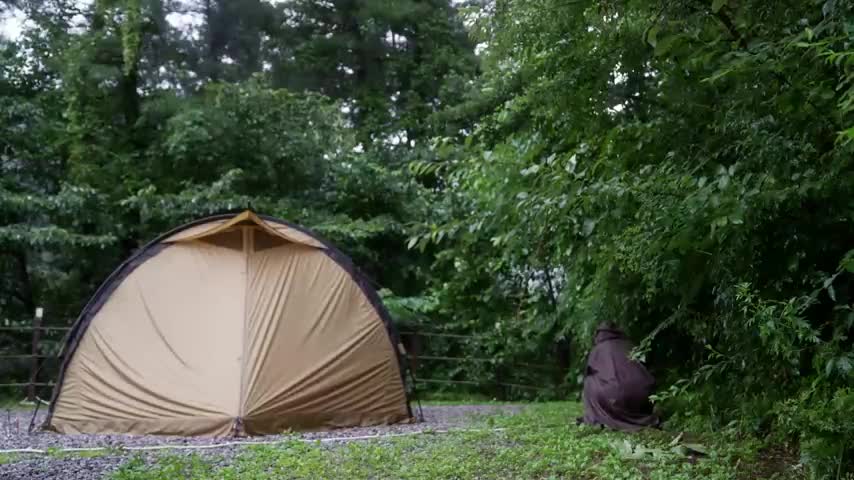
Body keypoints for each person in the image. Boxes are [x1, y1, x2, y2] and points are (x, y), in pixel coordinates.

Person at [579, 322, 659, 431]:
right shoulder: (630, 345)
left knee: (589, 380)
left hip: (615, 399)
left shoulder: (597, 349)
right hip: (643, 397)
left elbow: (589, 372)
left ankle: (599, 417)